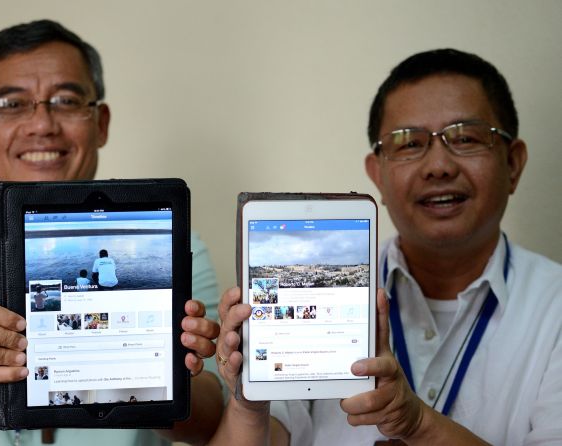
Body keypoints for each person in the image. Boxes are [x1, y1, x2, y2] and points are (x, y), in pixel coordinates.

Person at [209, 49, 562, 445]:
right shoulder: (317, 285)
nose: (438, 166)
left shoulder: (555, 307)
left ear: (513, 164)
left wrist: (417, 424)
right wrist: (247, 403)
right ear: (377, 174)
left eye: (465, 137)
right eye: (409, 143)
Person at [0, 19, 223, 446]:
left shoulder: (177, 242)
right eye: (11, 103)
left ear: (101, 123)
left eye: (66, 100)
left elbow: (212, 418)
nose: (42, 124)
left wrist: (157, 371)